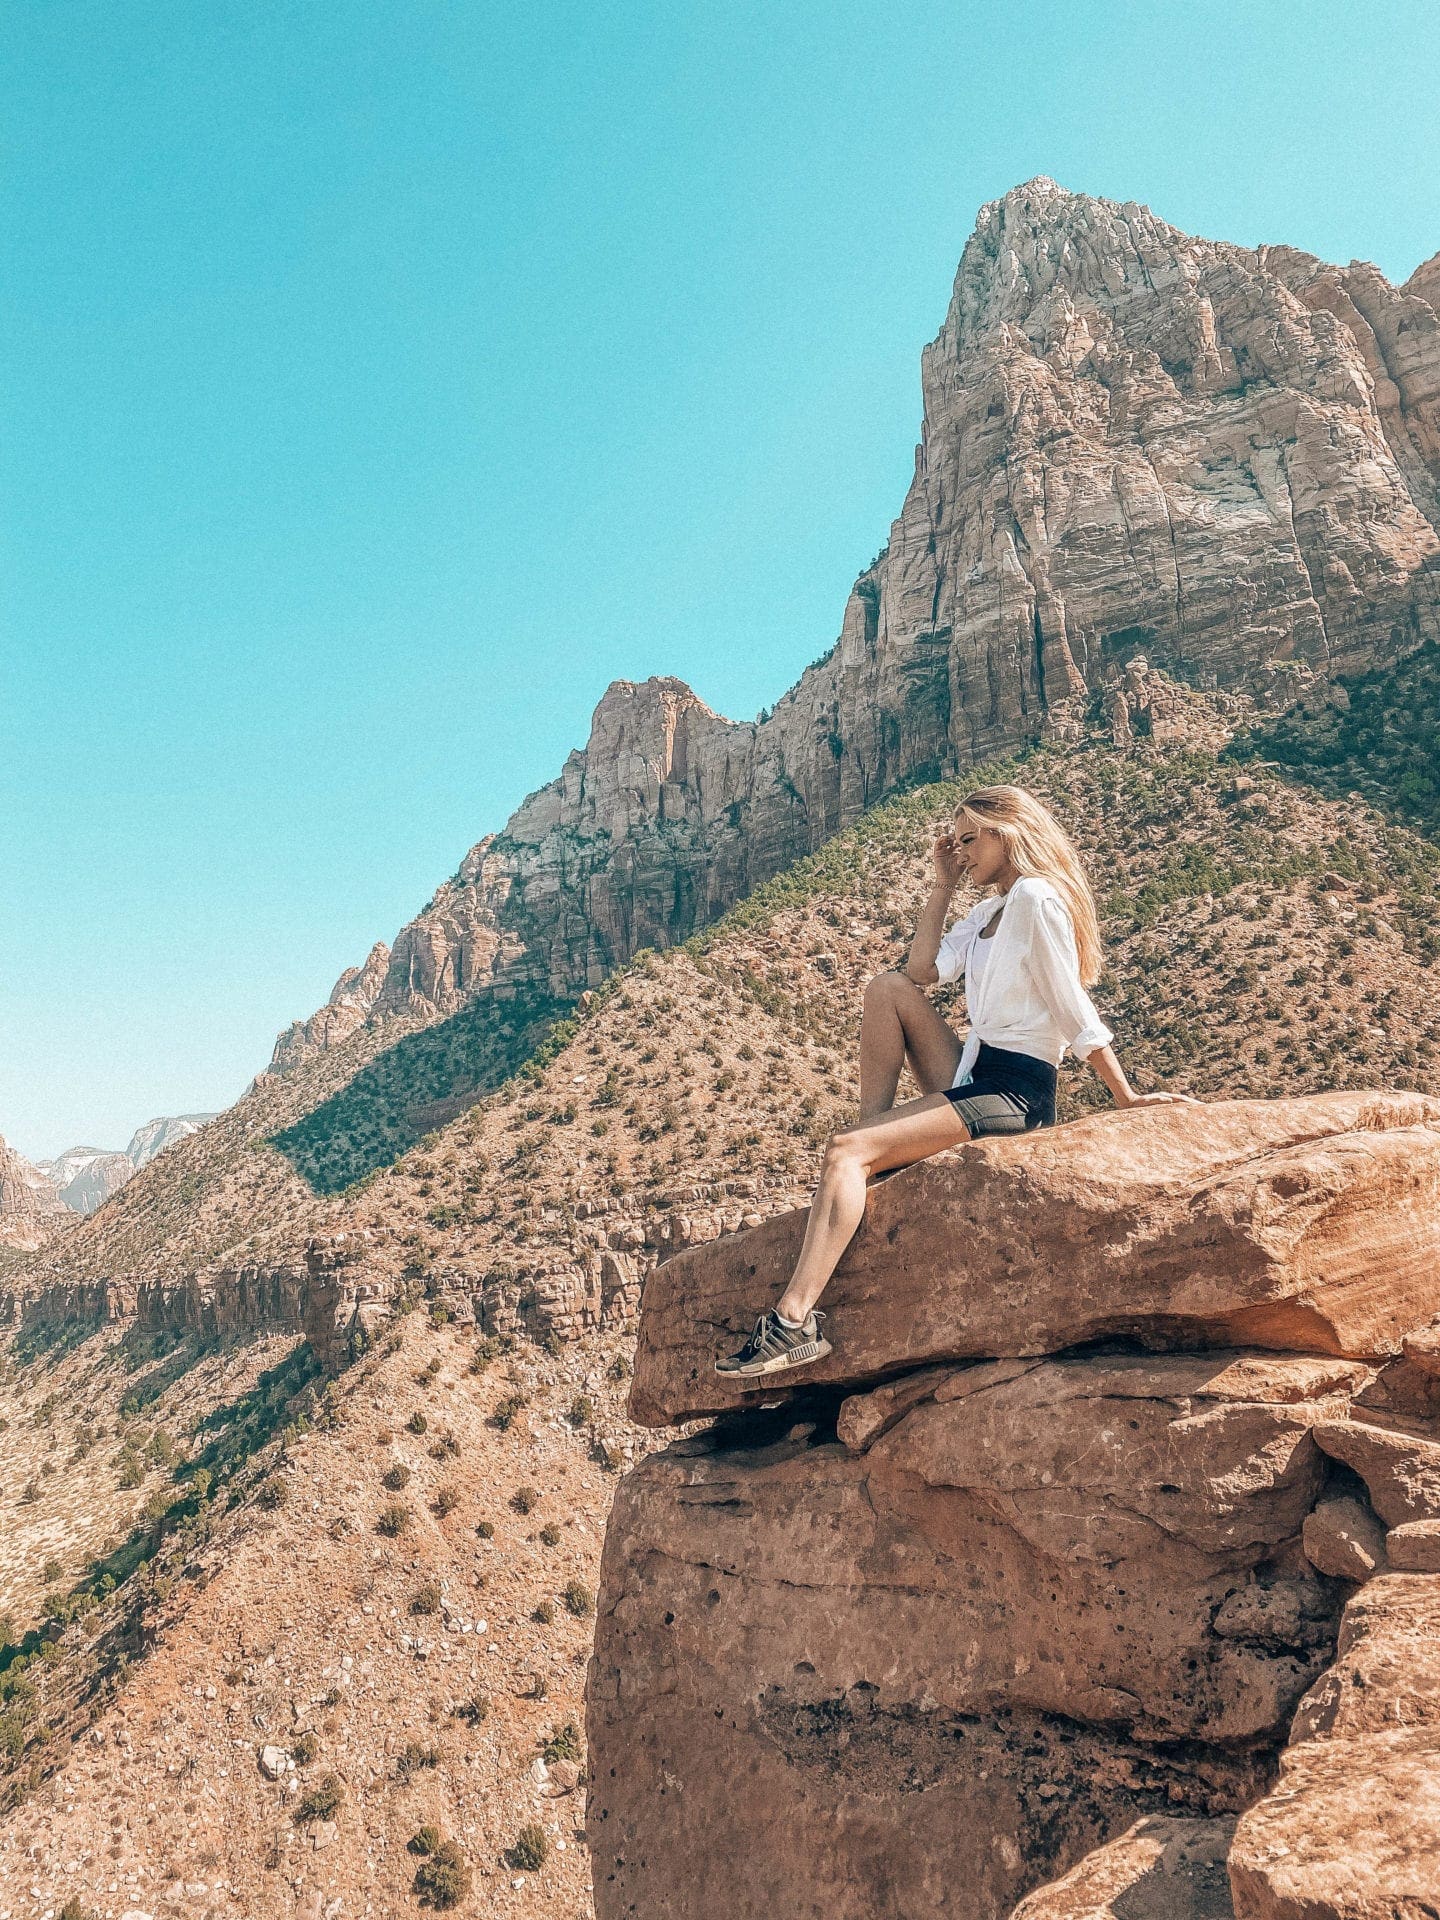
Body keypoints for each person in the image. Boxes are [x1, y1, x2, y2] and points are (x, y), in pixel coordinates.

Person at [715, 782, 1197, 1380]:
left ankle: (792, 1324)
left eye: (971, 840)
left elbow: (1071, 1003)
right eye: (957, 842)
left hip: (1015, 1092)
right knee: (886, 989)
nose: (963, 851)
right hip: (973, 1071)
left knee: (843, 1152)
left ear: (1008, 833)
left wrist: (1123, 1094)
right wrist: (942, 884)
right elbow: (922, 971)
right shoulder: (990, 910)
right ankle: (876, 1139)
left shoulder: (1036, 899)